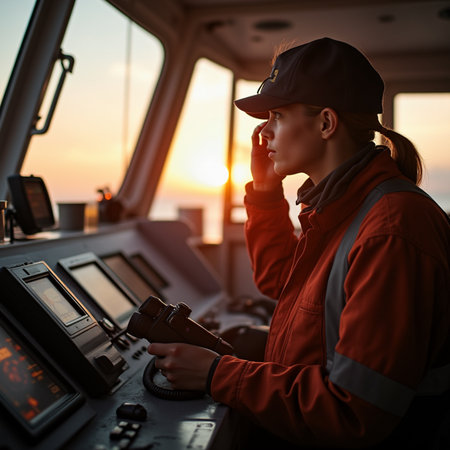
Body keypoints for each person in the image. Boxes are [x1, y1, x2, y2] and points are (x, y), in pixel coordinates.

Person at [148, 37, 450, 449]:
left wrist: (219, 374)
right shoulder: (343, 207)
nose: (263, 132)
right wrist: (266, 192)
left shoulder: (391, 230)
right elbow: (284, 283)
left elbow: (354, 410)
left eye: (277, 115)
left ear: (326, 124)